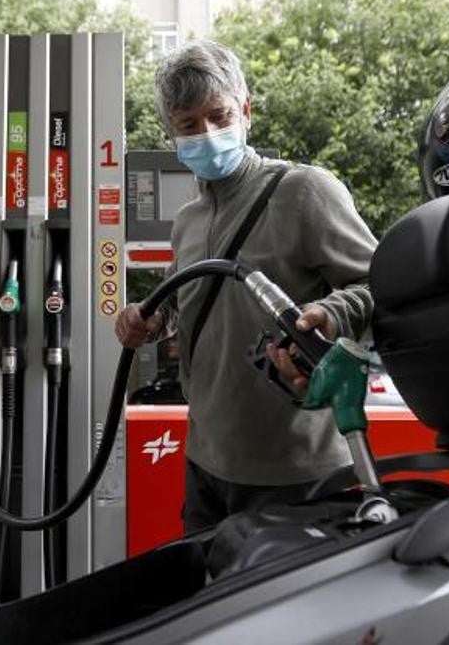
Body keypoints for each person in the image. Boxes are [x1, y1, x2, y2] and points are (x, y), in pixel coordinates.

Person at [114, 40, 378, 533]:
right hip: (206, 463)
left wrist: (332, 313)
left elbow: (380, 284)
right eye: (188, 125)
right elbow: (186, 297)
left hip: (296, 472)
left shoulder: (304, 191)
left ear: (247, 111)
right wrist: (149, 318)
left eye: (219, 116)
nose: (207, 134)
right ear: (170, 131)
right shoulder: (188, 219)